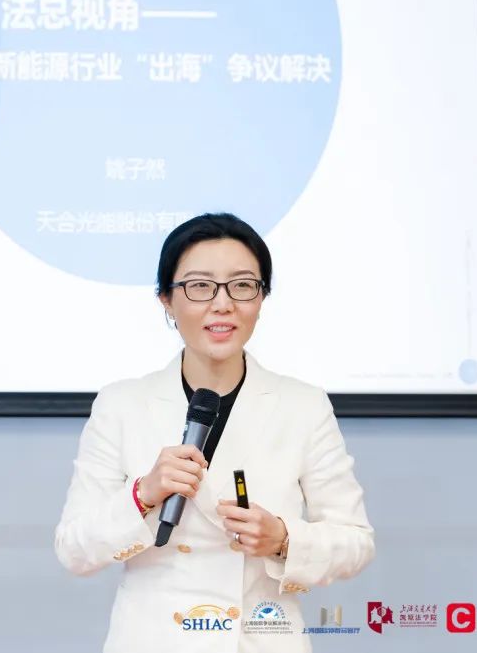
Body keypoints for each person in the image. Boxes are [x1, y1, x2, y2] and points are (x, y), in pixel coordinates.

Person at [54, 213, 375, 652]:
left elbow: (356, 542)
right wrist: (143, 494)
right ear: (166, 299)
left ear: (262, 297)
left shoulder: (303, 405)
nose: (223, 304)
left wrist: (284, 539)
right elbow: (74, 550)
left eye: (242, 285)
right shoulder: (121, 404)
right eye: (200, 286)